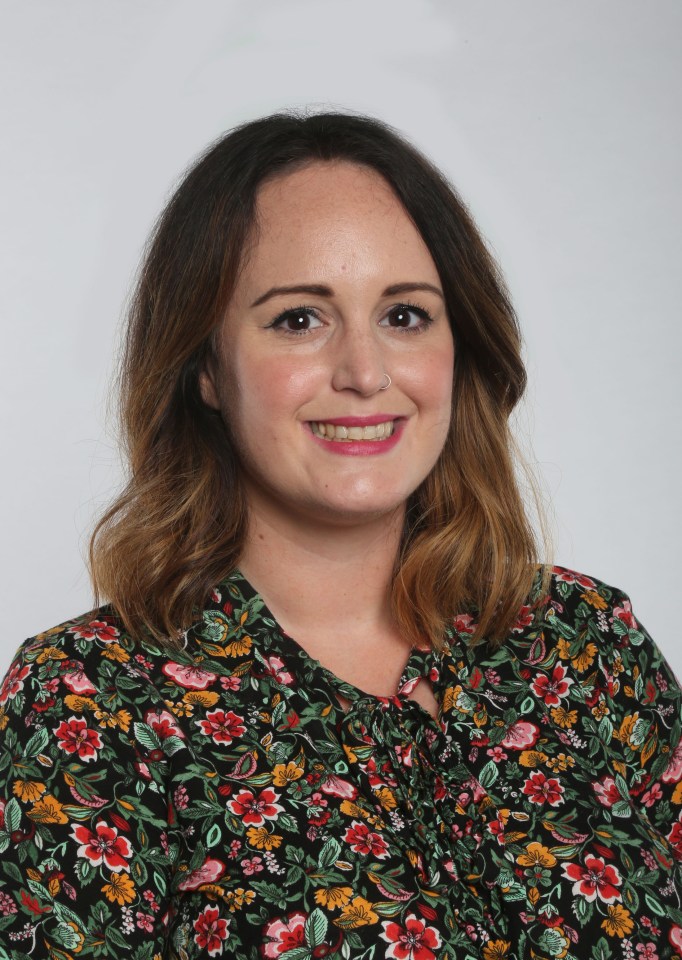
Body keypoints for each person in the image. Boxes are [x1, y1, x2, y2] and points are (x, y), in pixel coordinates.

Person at [0, 112, 680, 960]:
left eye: (404, 316)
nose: (364, 372)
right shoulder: (90, 704)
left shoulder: (589, 649)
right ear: (205, 367)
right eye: (298, 320)